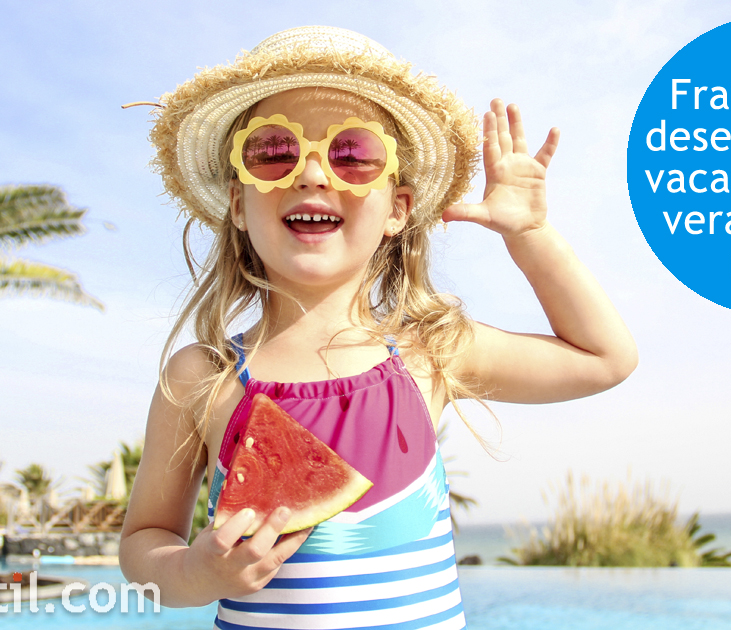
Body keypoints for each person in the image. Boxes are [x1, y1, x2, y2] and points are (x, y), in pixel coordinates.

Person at [119, 26, 637, 629]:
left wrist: (530, 236)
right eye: (274, 151)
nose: (313, 175)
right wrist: (192, 574)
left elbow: (605, 359)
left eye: (354, 155)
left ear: (398, 209)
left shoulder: (429, 350)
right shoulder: (202, 375)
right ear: (238, 203)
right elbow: (144, 540)